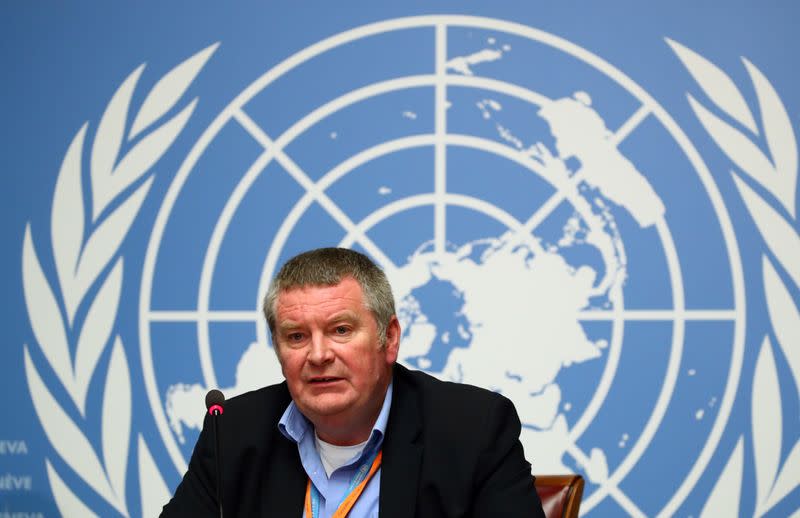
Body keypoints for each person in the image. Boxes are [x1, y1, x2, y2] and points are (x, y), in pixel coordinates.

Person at [161, 247, 545, 517]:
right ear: (279, 351)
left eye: (340, 330)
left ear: (389, 338)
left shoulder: (471, 430)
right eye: (296, 336)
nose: (318, 354)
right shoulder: (232, 432)